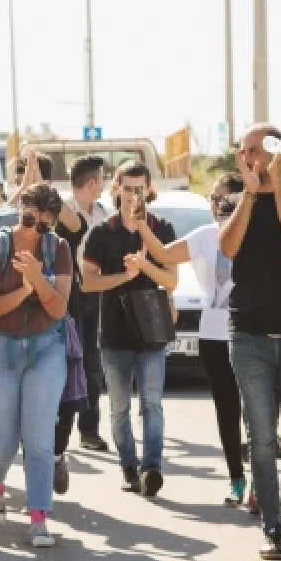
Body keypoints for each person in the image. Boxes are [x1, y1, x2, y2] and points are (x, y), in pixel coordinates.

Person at [218, 125, 281, 561]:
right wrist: (249, 192)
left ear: (275, 152)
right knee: (260, 437)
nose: (248, 156)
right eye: (243, 151)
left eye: (255, 150)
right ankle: (273, 527)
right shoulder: (231, 202)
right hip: (250, 338)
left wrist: (273, 181)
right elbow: (228, 246)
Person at [137, 173, 250, 506]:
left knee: (259, 410)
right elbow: (163, 254)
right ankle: (237, 480)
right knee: (227, 408)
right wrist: (141, 225)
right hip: (214, 334)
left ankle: (261, 481)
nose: (214, 205)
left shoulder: (256, 235)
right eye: (212, 199)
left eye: (221, 199)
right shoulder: (204, 236)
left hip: (251, 333)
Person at [0, 183, 73, 546]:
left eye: (44, 223)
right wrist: (25, 290)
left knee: (39, 438)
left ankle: (38, 517)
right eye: (30, 218)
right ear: (21, 210)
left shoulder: (59, 249)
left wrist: (37, 279)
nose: (35, 229)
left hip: (46, 347)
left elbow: (59, 308)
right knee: (2, 438)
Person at [80, 160, 178, 497]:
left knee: (152, 403)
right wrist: (124, 277)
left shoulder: (162, 229)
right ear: (116, 188)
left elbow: (172, 280)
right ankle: (128, 468)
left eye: (139, 188)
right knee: (119, 407)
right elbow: (87, 283)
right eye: (127, 188)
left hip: (152, 330)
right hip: (115, 332)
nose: (133, 195)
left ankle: (152, 467)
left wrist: (144, 266)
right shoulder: (102, 232)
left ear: (149, 190)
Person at [53, 155, 110, 470]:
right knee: (66, 361)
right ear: (91, 182)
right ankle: (58, 428)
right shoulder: (65, 211)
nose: (104, 184)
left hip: (96, 296)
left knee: (93, 365)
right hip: (69, 296)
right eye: (102, 178)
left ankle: (89, 430)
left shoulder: (102, 214)